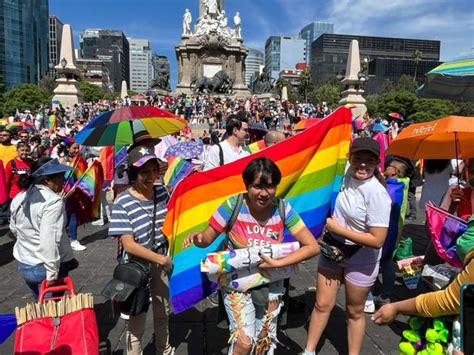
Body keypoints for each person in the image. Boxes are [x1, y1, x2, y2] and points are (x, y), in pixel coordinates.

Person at [183, 157, 320, 354]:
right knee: (244, 342)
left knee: (263, 343)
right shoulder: (233, 205)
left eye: (270, 186)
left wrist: (277, 263)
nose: (264, 193)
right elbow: (206, 238)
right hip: (236, 283)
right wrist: (197, 238)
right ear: (247, 185)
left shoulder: (283, 208)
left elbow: (312, 247)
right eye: (257, 186)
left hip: (272, 283)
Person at [303, 137, 392, 355]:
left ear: (377, 163)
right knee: (322, 305)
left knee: (354, 311)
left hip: (362, 259)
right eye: (358, 157)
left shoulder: (377, 194)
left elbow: (377, 239)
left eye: (369, 160)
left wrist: (337, 229)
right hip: (332, 252)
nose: (362, 164)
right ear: (349, 158)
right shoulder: (342, 178)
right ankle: (309, 350)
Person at [108, 146, 173, 355]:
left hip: (162, 260)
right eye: (145, 172)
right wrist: (161, 260)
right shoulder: (122, 202)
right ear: (134, 174)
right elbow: (128, 244)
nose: (151, 176)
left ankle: (164, 348)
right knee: (137, 314)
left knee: (162, 310)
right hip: (138, 265)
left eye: (154, 170)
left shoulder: (162, 192)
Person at [10, 158, 76, 300]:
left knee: (39, 308)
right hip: (43, 267)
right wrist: (52, 273)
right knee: (51, 315)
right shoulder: (53, 202)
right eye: (60, 177)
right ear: (47, 180)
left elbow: (14, 229)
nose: (63, 181)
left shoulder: (20, 197)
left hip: (25, 263)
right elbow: (49, 240)